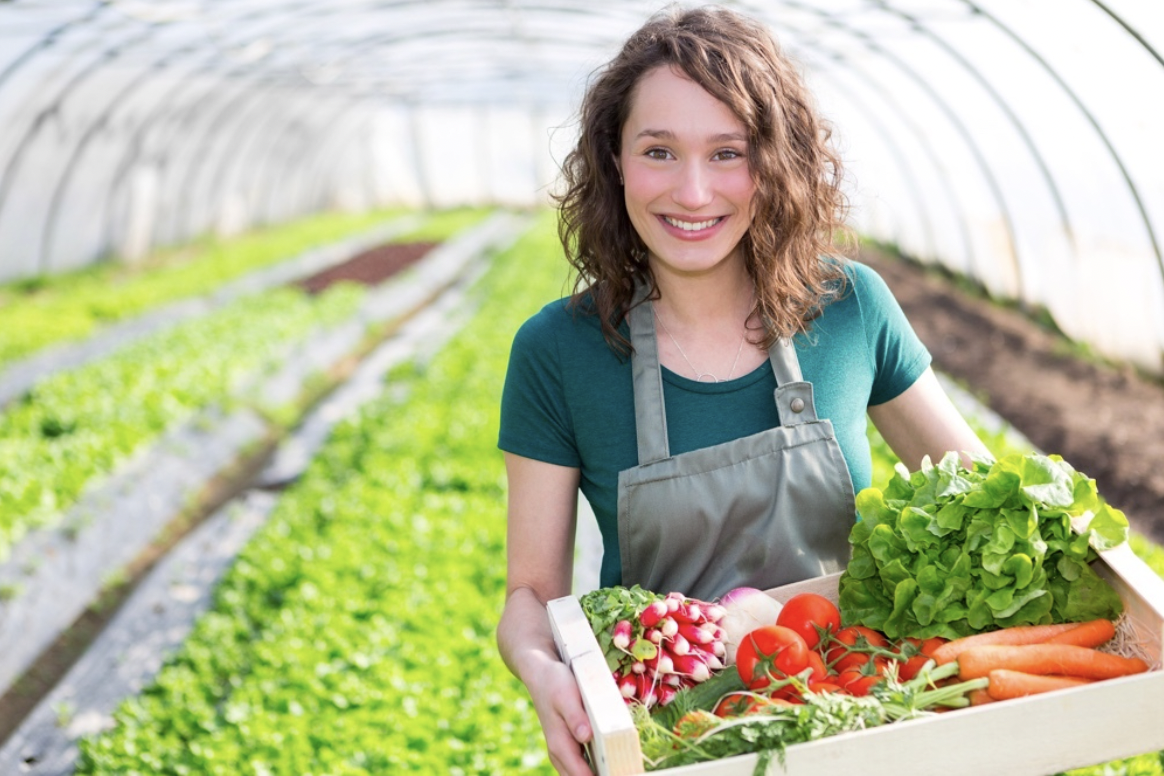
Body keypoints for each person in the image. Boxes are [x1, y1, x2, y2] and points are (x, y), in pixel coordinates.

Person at [496, 5, 990, 773]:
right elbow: (529, 593)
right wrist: (543, 672)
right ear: (615, 160)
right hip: (677, 741)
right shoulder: (557, 352)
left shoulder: (850, 308)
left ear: (775, 162)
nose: (693, 193)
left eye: (727, 153)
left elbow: (981, 494)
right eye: (659, 150)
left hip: (865, 714)